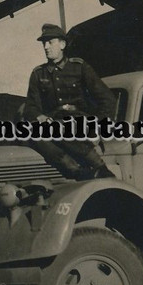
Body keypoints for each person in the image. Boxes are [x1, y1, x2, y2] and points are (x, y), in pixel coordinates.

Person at [24, 23, 116, 180]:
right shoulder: (38, 74)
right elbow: (31, 106)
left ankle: (100, 166)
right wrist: (39, 116)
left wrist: (98, 128)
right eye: (43, 43)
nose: (46, 47)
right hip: (54, 122)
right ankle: (76, 171)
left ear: (62, 44)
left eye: (50, 42)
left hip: (80, 122)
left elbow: (107, 99)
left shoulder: (79, 67)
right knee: (35, 133)